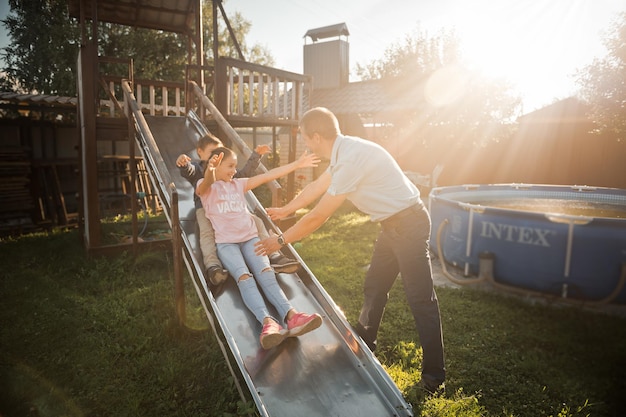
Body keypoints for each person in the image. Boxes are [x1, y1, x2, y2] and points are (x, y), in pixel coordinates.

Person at [255, 107, 445, 392]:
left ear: (317, 137)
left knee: (420, 300)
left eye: (306, 139)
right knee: (374, 287)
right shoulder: (343, 152)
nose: (306, 144)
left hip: (409, 224)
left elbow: (320, 216)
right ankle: (366, 341)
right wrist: (286, 209)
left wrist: (281, 241)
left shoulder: (351, 159)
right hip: (391, 226)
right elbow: (318, 187)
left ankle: (434, 377)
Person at [196, 146, 323, 349]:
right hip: (227, 244)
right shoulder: (206, 186)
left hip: (250, 239)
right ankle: (268, 323)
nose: (234, 171)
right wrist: (210, 170)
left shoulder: (238, 185)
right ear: (216, 165)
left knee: (266, 272)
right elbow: (205, 186)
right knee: (244, 277)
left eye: (235, 166)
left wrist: (297, 164)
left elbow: (268, 175)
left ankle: (291, 316)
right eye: (230, 166)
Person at [176, 133, 300, 288]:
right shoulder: (198, 168)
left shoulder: (229, 175)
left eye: (222, 153)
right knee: (206, 232)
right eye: (214, 153)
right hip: (205, 209)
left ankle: (274, 255)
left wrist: (256, 155)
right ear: (200, 152)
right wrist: (183, 163)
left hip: (230, 209)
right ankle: (212, 266)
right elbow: (189, 171)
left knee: (257, 221)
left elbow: (243, 174)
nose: (219, 157)